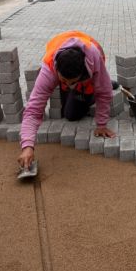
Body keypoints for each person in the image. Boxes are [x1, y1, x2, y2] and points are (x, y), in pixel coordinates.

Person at [17, 30, 117, 170]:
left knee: (72, 114)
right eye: (64, 80)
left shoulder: (94, 58)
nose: (69, 84)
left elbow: (105, 94)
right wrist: (27, 146)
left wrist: (101, 124)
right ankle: (82, 84)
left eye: (72, 82)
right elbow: (33, 110)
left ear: (82, 74)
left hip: (91, 70)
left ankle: (102, 81)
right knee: (65, 109)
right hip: (65, 61)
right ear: (56, 68)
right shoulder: (49, 68)